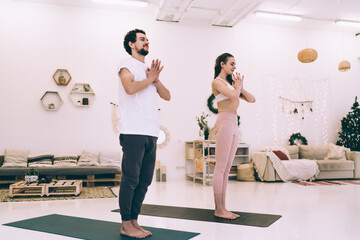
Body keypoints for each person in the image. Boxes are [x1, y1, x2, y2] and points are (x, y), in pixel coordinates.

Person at [118, 29, 171, 238]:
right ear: (132, 44)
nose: (146, 42)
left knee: (145, 180)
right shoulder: (126, 64)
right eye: (142, 39)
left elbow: (167, 96)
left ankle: (134, 220)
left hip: (151, 131)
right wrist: (150, 79)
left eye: (147, 39)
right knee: (131, 178)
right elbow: (130, 88)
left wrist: (155, 79)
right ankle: (125, 223)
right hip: (133, 130)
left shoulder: (149, 72)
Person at [211, 53, 255, 219]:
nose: (235, 67)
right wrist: (237, 88)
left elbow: (252, 99)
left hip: (234, 123)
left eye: (235, 64)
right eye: (232, 63)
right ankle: (218, 208)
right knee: (220, 167)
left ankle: (223, 207)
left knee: (227, 168)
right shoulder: (217, 82)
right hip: (224, 122)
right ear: (222, 64)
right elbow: (233, 96)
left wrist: (241, 86)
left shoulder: (232, 85)